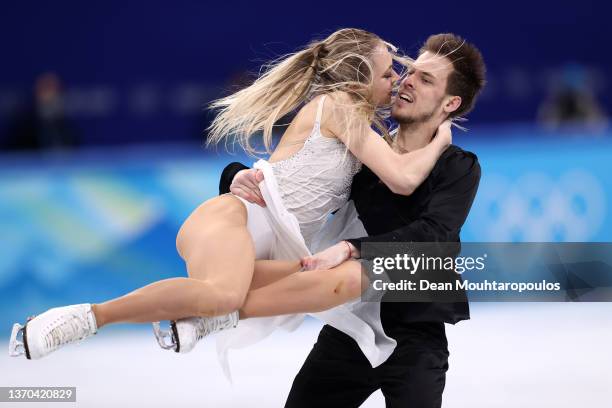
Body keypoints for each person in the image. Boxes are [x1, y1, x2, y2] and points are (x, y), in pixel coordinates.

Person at [9, 28, 451, 362]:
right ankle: (84, 319)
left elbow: (396, 176)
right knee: (222, 294)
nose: (396, 78)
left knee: (341, 281)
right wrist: (441, 141)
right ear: (357, 78)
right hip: (232, 221)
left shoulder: (364, 127)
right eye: (387, 71)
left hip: (273, 251)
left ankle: (207, 319)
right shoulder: (337, 106)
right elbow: (403, 178)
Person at [221, 33, 485, 407]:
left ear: (451, 103)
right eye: (409, 71)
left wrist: (350, 249)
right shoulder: (365, 153)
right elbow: (292, 178)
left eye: (426, 79)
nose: (406, 80)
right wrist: (233, 175)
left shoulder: (458, 167)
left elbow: (436, 237)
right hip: (351, 330)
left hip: (416, 334)